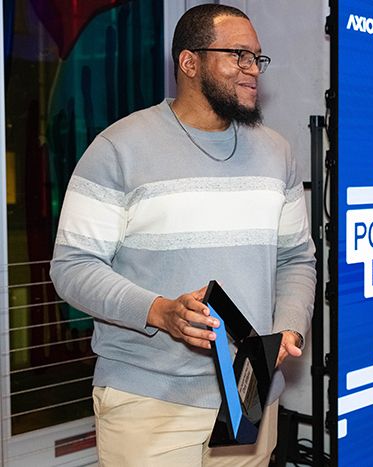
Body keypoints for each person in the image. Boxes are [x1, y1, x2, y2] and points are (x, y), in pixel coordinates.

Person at [50, 4, 316, 466]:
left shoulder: (277, 153)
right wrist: (158, 311)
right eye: (238, 55)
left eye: (257, 57)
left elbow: (295, 258)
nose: (253, 69)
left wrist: (288, 326)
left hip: (250, 394)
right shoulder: (118, 149)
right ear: (189, 62)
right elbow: (72, 268)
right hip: (149, 403)